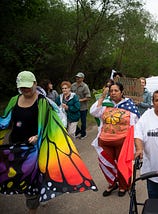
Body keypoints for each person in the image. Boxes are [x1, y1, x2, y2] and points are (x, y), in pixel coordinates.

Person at [0, 71, 97, 214]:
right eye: (22, 87)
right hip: (16, 147)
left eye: (27, 86)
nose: (25, 89)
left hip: (34, 148)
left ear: (35, 84)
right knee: (16, 176)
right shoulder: (14, 100)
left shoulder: (43, 102)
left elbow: (51, 124)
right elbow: (6, 120)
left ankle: (32, 208)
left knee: (30, 182)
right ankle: (39, 192)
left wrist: (38, 135)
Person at [90, 82, 140, 197]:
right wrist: (102, 97)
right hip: (105, 141)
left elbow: (136, 124)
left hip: (123, 142)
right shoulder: (106, 104)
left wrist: (137, 144)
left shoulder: (129, 105)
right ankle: (112, 183)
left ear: (122, 92)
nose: (113, 93)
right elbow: (93, 111)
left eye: (116, 90)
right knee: (105, 163)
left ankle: (123, 186)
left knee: (122, 164)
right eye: (111, 91)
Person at [71, 72, 91, 139]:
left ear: (82, 78)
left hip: (83, 107)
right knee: (73, 120)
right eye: (76, 77)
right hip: (75, 107)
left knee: (83, 121)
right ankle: (77, 132)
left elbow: (88, 97)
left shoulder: (85, 86)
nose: (77, 78)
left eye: (79, 77)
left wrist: (79, 100)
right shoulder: (73, 85)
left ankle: (83, 134)